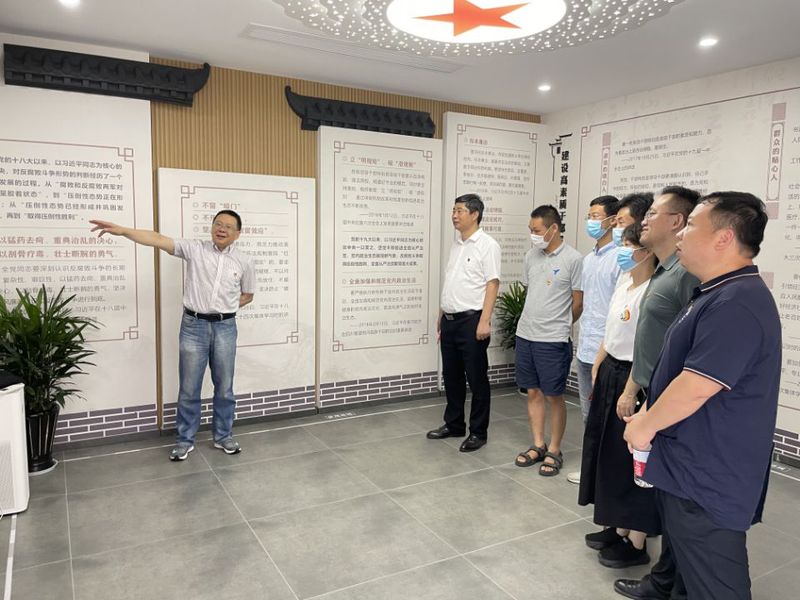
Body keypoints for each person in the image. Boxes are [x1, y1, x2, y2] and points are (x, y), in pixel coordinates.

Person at [623, 192, 780, 600]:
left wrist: (645, 425)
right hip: (688, 467)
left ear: (723, 238)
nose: (682, 233)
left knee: (715, 585)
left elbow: (697, 384)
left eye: (691, 224)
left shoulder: (738, 302)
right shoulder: (715, 292)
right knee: (689, 576)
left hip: (709, 477)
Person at [90, 211, 255, 461]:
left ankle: (223, 436)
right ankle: (184, 440)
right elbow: (157, 239)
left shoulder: (244, 261)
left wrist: (225, 308)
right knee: (189, 388)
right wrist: (123, 231)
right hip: (193, 326)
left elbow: (248, 295)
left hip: (225, 327)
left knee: (224, 387)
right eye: (218, 224)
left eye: (228, 226)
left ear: (238, 234)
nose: (221, 229)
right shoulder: (195, 249)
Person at [610, 185, 701, 599]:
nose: (643, 220)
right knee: (665, 496)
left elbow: (691, 349)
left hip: (673, 405)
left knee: (676, 501)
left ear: (677, 221)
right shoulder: (665, 270)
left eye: (653, 214)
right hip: (653, 393)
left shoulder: (686, 275)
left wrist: (656, 404)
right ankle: (665, 580)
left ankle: (671, 582)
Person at [578, 223, 659, 568]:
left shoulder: (653, 291)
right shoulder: (625, 282)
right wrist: (598, 364)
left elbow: (647, 347)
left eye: (628, 245)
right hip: (611, 369)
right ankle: (617, 526)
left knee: (631, 460)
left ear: (647, 251)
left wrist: (630, 390)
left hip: (633, 379)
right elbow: (610, 331)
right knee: (609, 454)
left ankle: (636, 542)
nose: (622, 252)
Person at [427, 194, 501, 452]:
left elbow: (492, 283)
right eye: (453, 210)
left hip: (472, 321)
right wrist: (442, 313)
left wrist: (485, 320)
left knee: (477, 378)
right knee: (452, 376)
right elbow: (453, 282)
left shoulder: (487, 245)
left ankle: (478, 432)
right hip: (450, 321)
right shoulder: (457, 244)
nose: (454, 216)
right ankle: (454, 424)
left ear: (475, 214)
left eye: (459, 211)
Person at [513, 205, 583, 476]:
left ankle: (555, 449)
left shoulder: (573, 259)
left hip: (553, 340)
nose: (533, 235)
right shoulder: (531, 256)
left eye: (537, 230)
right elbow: (532, 293)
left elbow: (578, 303)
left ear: (554, 228)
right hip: (525, 335)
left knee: (554, 395)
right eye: (531, 230)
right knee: (532, 392)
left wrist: (559, 324)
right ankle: (538, 444)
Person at [567, 195, 621, 485]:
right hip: (585, 348)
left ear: (612, 220)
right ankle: (592, 472)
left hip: (608, 351)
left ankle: (607, 475)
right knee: (589, 415)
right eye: (589, 215)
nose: (591, 221)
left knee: (608, 417)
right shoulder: (588, 260)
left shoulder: (620, 259)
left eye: (596, 215)